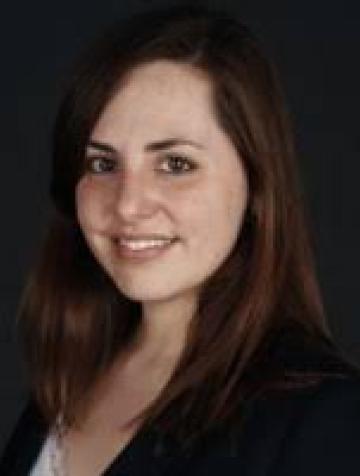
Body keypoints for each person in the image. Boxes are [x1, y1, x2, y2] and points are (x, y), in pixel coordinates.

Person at [1, 4, 360, 476]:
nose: (128, 205)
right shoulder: (71, 377)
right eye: (103, 164)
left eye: (175, 165)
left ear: (257, 184)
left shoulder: (324, 419)